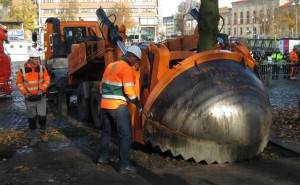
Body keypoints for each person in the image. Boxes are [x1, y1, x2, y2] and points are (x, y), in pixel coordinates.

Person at [98, 45, 143, 174]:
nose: (137, 63)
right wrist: (138, 104)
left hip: (105, 105)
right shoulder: (127, 69)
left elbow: (102, 86)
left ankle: (103, 157)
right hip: (118, 106)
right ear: (131, 57)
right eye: (137, 60)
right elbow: (129, 91)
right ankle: (124, 165)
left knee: (106, 133)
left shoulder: (111, 66)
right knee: (126, 136)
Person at [16, 49, 50, 146]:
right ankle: (33, 138)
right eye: (35, 59)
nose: (37, 60)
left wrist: (42, 89)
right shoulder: (22, 70)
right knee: (32, 120)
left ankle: (43, 133)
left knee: (42, 118)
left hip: (41, 98)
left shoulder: (42, 68)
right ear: (30, 59)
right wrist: (25, 93)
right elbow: (19, 83)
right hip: (30, 99)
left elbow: (47, 80)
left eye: (38, 59)